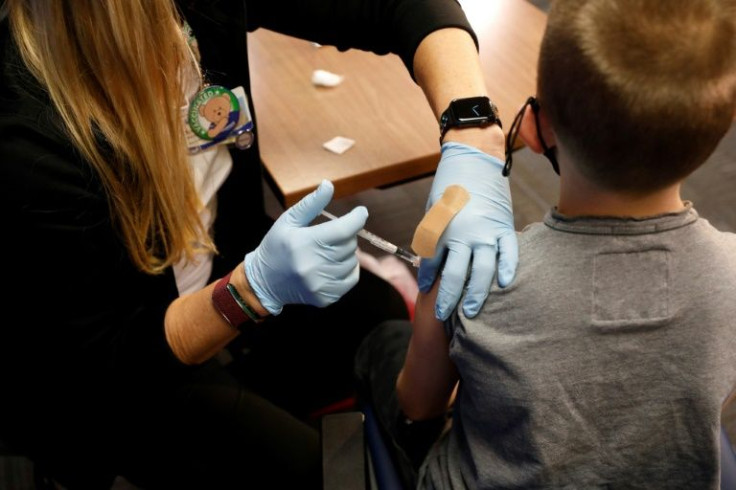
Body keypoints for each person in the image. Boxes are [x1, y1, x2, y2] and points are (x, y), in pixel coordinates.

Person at [0, 0, 519, 488]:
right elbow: (111, 363)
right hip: (123, 376)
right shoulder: (25, 136)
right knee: (321, 474)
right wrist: (249, 291)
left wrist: (472, 128)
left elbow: (396, 5)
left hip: (218, 257)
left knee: (378, 314)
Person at [355, 0, 736, 487]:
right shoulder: (729, 277)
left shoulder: (475, 273)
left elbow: (419, 404)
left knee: (381, 341)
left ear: (535, 127)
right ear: (716, 135)